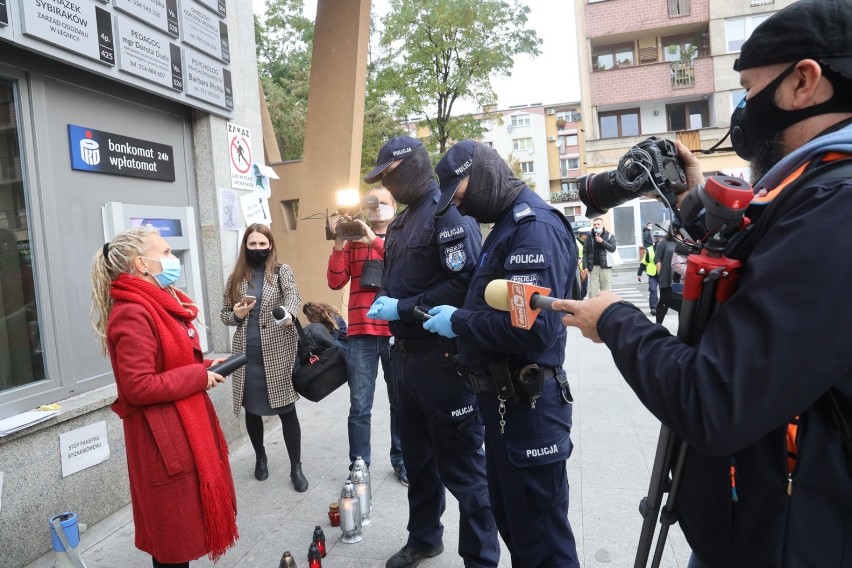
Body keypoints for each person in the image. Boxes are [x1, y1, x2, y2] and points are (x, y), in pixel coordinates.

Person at [553, 1, 852, 564]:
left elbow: (714, 402)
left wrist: (616, 320)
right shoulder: (814, 188)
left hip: (794, 536)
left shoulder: (837, 208)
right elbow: (767, 240)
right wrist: (698, 197)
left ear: (804, 82)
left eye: (748, 88)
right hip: (762, 520)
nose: (742, 109)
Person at [424, 140, 580, 567]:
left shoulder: (533, 228)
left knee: (542, 545)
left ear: (485, 174)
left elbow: (532, 328)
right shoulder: (509, 225)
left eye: (461, 195)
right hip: (505, 405)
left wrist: (459, 322)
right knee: (518, 530)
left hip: (528, 407)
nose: (464, 208)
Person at [364, 136, 499, 568]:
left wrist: (402, 307)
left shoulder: (450, 214)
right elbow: (393, 278)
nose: (387, 184)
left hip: (444, 362)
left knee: (464, 468)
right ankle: (424, 538)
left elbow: (465, 283)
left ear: (409, 168)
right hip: (403, 360)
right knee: (418, 461)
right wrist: (385, 297)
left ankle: (481, 557)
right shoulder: (403, 223)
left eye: (388, 174)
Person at [91, 227, 238, 567]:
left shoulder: (159, 303)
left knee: (180, 534)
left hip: (180, 429)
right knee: (171, 543)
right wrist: (197, 376)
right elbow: (138, 385)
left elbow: (167, 362)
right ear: (142, 264)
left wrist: (201, 366)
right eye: (168, 252)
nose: (174, 259)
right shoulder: (132, 311)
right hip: (162, 440)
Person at [326, 186, 407, 484]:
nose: (376, 208)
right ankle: (359, 464)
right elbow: (335, 282)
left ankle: (401, 460)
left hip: (397, 331)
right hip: (361, 332)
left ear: (394, 207)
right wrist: (339, 242)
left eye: (382, 202)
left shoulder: (404, 236)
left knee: (401, 401)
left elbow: (405, 266)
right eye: (371, 202)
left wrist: (371, 240)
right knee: (360, 406)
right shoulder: (351, 238)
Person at [221, 223, 308, 492]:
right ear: (245, 246)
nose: (257, 248)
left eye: (262, 244)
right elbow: (225, 315)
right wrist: (237, 314)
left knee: (286, 410)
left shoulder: (281, 271)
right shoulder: (236, 277)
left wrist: (289, 314)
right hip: (246, 355)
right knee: (252, 410)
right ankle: (261, 457)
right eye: (252, 244)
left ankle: (296, 467)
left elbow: (293, 295)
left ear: (270, 245)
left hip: (278, 352)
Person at [653, 227, 683, 324]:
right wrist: (661, 274)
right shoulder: (664, 242)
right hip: (667, 276)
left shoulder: (686, 241)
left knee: (682, 303)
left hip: (682, 276)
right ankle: (658, 325)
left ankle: (682, 330)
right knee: (664, 300)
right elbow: (657, 259)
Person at [583, 217, 617, 296]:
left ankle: (606, 307)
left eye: (598, 224)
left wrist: (602, 241)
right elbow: (585, 253)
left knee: (605, 291)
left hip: (605, 267)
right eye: (594, 224)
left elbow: (612, 249)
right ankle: (592, 308)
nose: (596, 226)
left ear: (603, 225)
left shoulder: (609, 236)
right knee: (592, 291)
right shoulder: (589, 237)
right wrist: (585, 266)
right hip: (593, 267)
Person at [636, 230, 662, 315]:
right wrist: (639, 274)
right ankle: (654, 308)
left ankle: (662, 307)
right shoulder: (650, 249)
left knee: (664, 292)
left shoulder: (667, 248)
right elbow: (644, 262)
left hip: (663, 274)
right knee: (653, 290)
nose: (658, 239)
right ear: (654, 238)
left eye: (660, 237)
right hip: (652, 274)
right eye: (657, 237)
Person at [575, 227, 590, 299]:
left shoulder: (582, 243)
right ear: (583, 235)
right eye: (587, 236)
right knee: (581, 291)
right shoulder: (576, 243)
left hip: (583, 270)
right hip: (579, 270)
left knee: (583, 291)